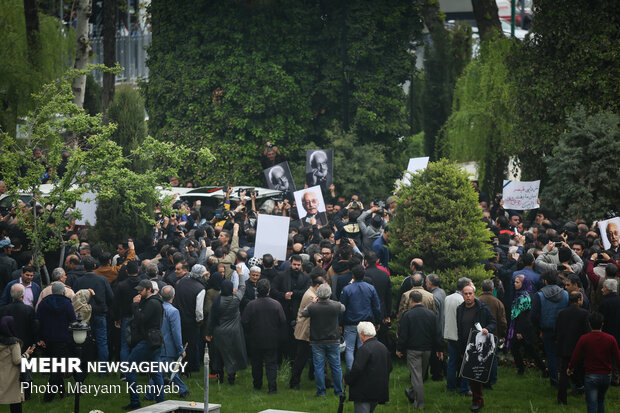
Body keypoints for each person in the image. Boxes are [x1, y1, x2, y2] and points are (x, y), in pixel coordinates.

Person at [396, 291, 443, 409]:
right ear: (421, 300)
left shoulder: (407, 315)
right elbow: (437, 333)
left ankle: (419, 404)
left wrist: (399, 348)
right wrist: (439, 348)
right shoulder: (431, 315)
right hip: (427, 349)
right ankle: (411, 392)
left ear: (411, 300)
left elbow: (403, 335)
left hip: (413, 350)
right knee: (419, 376)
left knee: (416, 377)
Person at [124, 279, 165, 410]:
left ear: (149, 290)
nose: (139, 292)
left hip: (147, 341)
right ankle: (161, 404)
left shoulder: (152, 303)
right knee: (155, 373)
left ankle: (135, 401)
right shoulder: (155, 301)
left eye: (141, 290)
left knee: (129, 368)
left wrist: (135, 305)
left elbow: (141, 319)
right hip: (155, 340)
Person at [567, 312, 620, 413]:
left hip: (591, 375)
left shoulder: (584, 339)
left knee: (592, 403)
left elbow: (576, 356)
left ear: (589, 324)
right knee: (601, 401)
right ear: (602, 324)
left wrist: (570, 368)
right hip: (606, 375)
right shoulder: (610, 339)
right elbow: (618, 357)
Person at [241, 279, 286, 394]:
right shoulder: (276, 305)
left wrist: (250, 332)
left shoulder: (251, 305)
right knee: (271, 364)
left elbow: (244, 321)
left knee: (256, 363)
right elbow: (283, 321)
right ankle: (272, 388)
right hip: (272, 339)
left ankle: (257, 385)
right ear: (269, 291)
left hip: (255, 339)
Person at [457, 284, 496, 412]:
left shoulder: (482, 308)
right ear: (462, 295)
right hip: (466, 345)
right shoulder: (460, 309)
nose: (468, 296)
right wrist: (462, 349)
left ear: (474, 294)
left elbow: (493, 323)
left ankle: (478, 401)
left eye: (470, 294)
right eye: (465, 294)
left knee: (476, 375)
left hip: (480, 345)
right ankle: (476, 398)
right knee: (468, 374)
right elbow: (460, 329)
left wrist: (487, 329)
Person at [300, 283, 345, 397]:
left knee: (319, 367)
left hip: (317, 341)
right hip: (333, 340)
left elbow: (303, 313)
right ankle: (338, 391)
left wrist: (313, 302)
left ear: (318, 294)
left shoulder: (313, 307)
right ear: (329, 294)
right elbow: (343, 308)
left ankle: (321, 391)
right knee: (336, 367)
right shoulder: (335, 305)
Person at [36, 282, 76, 402]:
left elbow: (38, 320)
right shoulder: (67, 304)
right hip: (62, 339)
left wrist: (40, 337)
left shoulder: (43, 303)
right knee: (58, 370)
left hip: (47, 339)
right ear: (63, 292)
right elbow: (73, 320)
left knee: (55, 366)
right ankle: (48, 397)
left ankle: (62, 393)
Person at [73, 256, 114, 371]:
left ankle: (82, 367)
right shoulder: (102, 280)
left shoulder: (78, 281)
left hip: (83, 315)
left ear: (84, 267)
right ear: (95, 266)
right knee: (102, 341)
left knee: (82, 341)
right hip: (99, 313)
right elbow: (111, 297)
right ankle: (103, 370)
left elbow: (74, 298)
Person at [531, 270, 569, 387]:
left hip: (546, 329)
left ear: (545, 281)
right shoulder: (565, 294)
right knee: (563, 355)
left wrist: (538, 328)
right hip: (562, 329)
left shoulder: (539, 295)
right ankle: (565, 380)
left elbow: (534, 315)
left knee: (551, 355)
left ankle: (554, 381)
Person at [340, 265, 381, 372]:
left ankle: (351, 371)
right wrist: (377, 321)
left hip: (350, 323)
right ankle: (363, 370)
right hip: (366, 322)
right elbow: (376, 306)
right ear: (364, 275)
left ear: (353, 275)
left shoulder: (347, 289)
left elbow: (342, 308)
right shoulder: (370, 288)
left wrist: (340, 323)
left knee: (349, 349)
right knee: (363, 348)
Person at [206, 278, 247, 385]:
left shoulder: (217, 301)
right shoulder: (236, 299)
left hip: (219, 332)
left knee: (219, 355)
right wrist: (240, 274)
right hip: (234, 332)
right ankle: (231, 378)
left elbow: (211, 318)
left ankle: (220, 377)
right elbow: (242, 287)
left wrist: (209, 333)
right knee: (232, 354)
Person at [345, 322, 392, 413]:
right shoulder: (383, 347)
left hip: (364, 393)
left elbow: (357, 370)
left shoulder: (364, 349)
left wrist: (347, 379)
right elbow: (389, 367)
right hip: (379, 390)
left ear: (362, 334)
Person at [555, 291, 590, 405]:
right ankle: (585, 393)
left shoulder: (561, 313)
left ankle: (561, 399)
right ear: (579, 300)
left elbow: (557, 330)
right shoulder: (584, 313)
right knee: (581, 370)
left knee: (564, 373)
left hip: (564, 346)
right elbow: (586, 331)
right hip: (578, 347)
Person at [507, 275, 546, 376]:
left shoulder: (524, 297)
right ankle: (542, 369)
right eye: (514, 282)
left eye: (517, 282)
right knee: (529, 349)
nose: (515, 284)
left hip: (523, 327)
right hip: (522, 326)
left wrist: (519, 331)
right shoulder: (525, 294)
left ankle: (522, 369)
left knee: (522, 349)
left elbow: (523, 316)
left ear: (523, 283)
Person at [290, 276, 324, 390]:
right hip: (306, 331)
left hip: (306, 329)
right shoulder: (311, 297)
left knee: (305, 357)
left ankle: (308, 377)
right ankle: (294, 382)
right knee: (301, 358)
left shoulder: (310, 292)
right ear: (318, 286)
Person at [155, 285, 189, 399]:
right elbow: (176, 332)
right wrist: (180, 349)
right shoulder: (173, 311)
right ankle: (183, 390)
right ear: (173, 296)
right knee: (166, 370)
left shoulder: (157, 307)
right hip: (167, 347)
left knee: (160, 370)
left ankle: (150, 394)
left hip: (156, 344)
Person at [174, 264, 206, 373]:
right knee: (191, 345)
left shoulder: (180, 282)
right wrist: (199, 321)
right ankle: (189, 368)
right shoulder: (200, 288)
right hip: (191, 321)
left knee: (181, 344)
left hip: (179, 318)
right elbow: (199, 310)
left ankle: (182, 366)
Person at [0, 316, 35, 413]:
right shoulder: (14, 343)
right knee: (15, 403)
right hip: (12, 377)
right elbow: (17, 360)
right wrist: (27, 354)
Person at [477, 279, 507, 388]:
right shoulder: (498, 303)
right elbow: (503, 321)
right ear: (492, 289)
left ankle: (480, 378)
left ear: (481, 288)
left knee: (479, 356)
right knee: (493, 357)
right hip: (494, 333)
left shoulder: (477, 300)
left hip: (479, 334)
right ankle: (492, 379)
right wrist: (503, 334)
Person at [445, 277, 472, 395]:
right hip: (460, 336)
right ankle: (464, 388)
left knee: (452, 362)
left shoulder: (448, 298)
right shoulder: (463, 300)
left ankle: (450, 386)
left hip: (449, 334)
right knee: (465, 362)